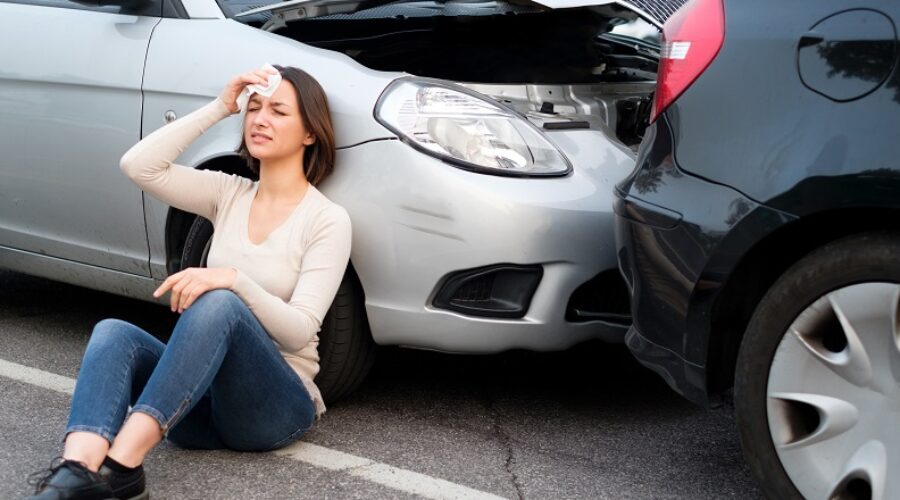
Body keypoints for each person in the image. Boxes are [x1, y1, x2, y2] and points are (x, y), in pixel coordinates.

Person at [25, 65, 352, 500]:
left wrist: (234, 280)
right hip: (197, 406)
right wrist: (221, 106)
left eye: (278, 111)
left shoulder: (327, 220)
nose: (260, 118)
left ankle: (121, 466)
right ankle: (77, 471)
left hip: (273, 408)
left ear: (310, 133)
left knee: (220, 300)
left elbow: (300, 329)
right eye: (253, 108)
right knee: (113, 333)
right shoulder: (228, 193)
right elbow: (139, 166)